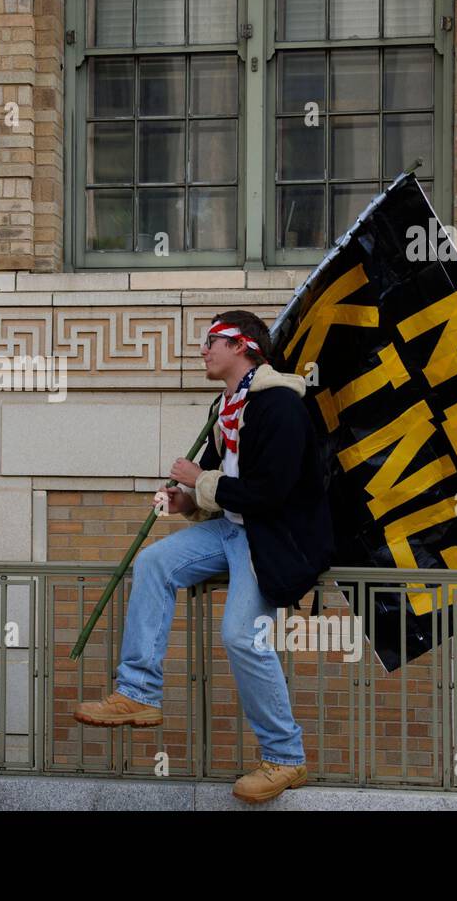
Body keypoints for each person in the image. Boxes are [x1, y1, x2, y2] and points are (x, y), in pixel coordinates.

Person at [73, 310, 334, 804]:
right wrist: (189, 500)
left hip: (271, 536)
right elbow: (222, 485)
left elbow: (271, 492)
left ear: (243, 346)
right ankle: (138, 693)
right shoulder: (226, 404)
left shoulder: (279, 405)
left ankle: (285, 758)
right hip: (231, 528)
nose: (203, 349)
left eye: (212, 340)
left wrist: (199, 481)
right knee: (154, 563)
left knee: (240, 635)